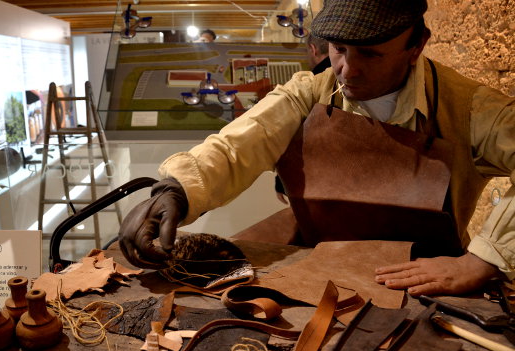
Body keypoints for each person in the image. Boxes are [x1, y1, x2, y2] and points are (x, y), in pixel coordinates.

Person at [119, 0, 515, 297]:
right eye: (339, 49)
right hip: (320, 261)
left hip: (421, 278)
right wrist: (177, 189)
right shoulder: (311, 92)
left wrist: (484, 258)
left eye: (371, 53)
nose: (347, 69)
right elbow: (242, 141)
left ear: (417, 45)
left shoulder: (469, 109)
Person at [275, 34, 331, 203]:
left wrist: (281, 181)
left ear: (313, 50)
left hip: (317, 178)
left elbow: (292, 134)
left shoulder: (309, 84)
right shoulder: (355, 77)